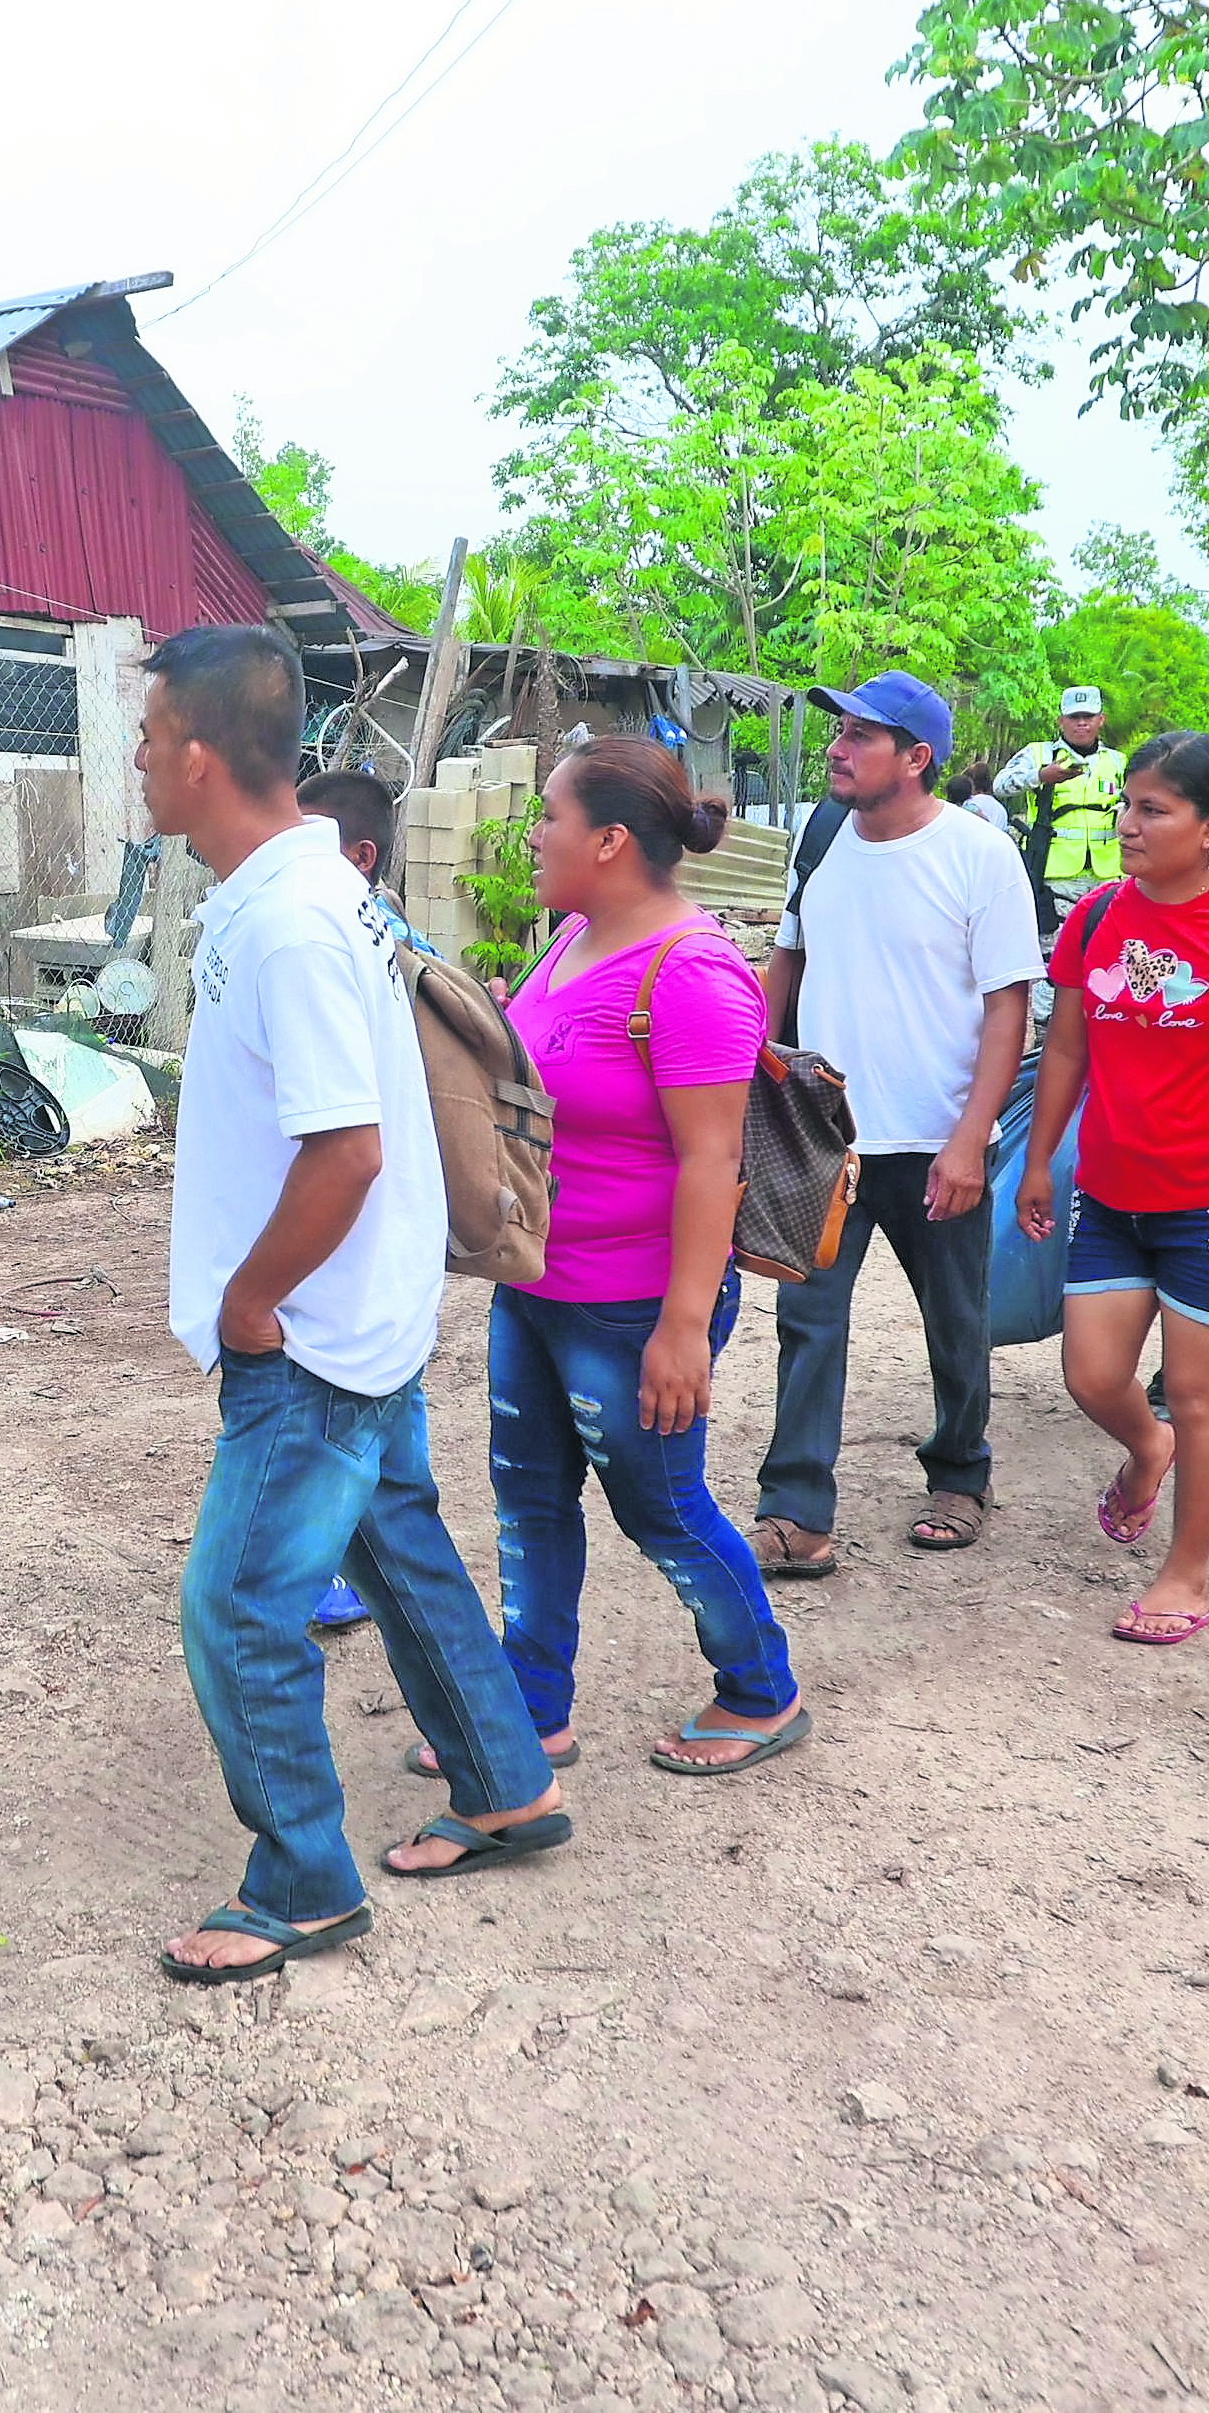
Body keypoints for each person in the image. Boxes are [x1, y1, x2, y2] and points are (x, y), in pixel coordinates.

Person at [137, 626, 565, 1987]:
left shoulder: (293, 924)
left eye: (148, 741)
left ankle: (302, 1881)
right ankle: (505, 1783)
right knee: (400, 1552)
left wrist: (251, 1298)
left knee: (239, 1605)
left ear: (199, 759)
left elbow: (348, 1148)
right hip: (361, 1312)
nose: (139, 763)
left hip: (313, 1332)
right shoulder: (305, 894)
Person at [455, 735, 806, 1778]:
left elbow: (712, 1161)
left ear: (607, 839)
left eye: (548, 816)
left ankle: (760, 1688)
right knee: (526, 1497)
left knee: (657, 1506)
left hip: (632, 1303)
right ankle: (531, 1705)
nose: (533, 835)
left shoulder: (690, 972)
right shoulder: (569, 937)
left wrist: (682, 1328)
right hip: (536, 1285)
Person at [1011, 733, 1209, 1646]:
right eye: (1126, 806)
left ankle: (1185, 1575)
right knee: (1092, 1374)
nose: (1128, 825)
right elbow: (1065, 1047)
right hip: (1110, 1191)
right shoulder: (1097, 914)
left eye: (1154, 810)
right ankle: (1147, 1453)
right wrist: (1037, 1160)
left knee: (1196, 1394)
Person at [749, 673, 1042, 1571]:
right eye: (839, 730)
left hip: (935, 1139)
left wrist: (969, 1138)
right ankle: (796, 1511)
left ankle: (960, 1472)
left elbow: (1009, 1005)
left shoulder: (978, 856)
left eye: (860, 737)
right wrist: (749, 1074)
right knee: (809, 1320)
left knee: (956, 1316)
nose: (837, 748)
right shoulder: (823, 834)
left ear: (917, 760)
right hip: (824, 1138)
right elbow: (786, 959)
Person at [290, 763, 431, 1640]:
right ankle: (380, 1568)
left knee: (334, 1412)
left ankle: (328, 1574)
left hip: (356, 1196)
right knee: (383, 1408)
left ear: (360, 854)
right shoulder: (394, 933)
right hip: (392, 1214)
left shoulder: (339, 926)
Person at [995, 685, 1126, 922]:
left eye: (1088, 716)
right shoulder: (1039, 754)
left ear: (1101, 720)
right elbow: (1000, 785)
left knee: (1105, 949)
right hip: (1056, 876)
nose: (1082, 723)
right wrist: (1040, 776)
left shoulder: (1117, 762)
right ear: (1060, 721)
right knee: (1057, 950)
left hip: (1107, 874)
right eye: (1074, 717)